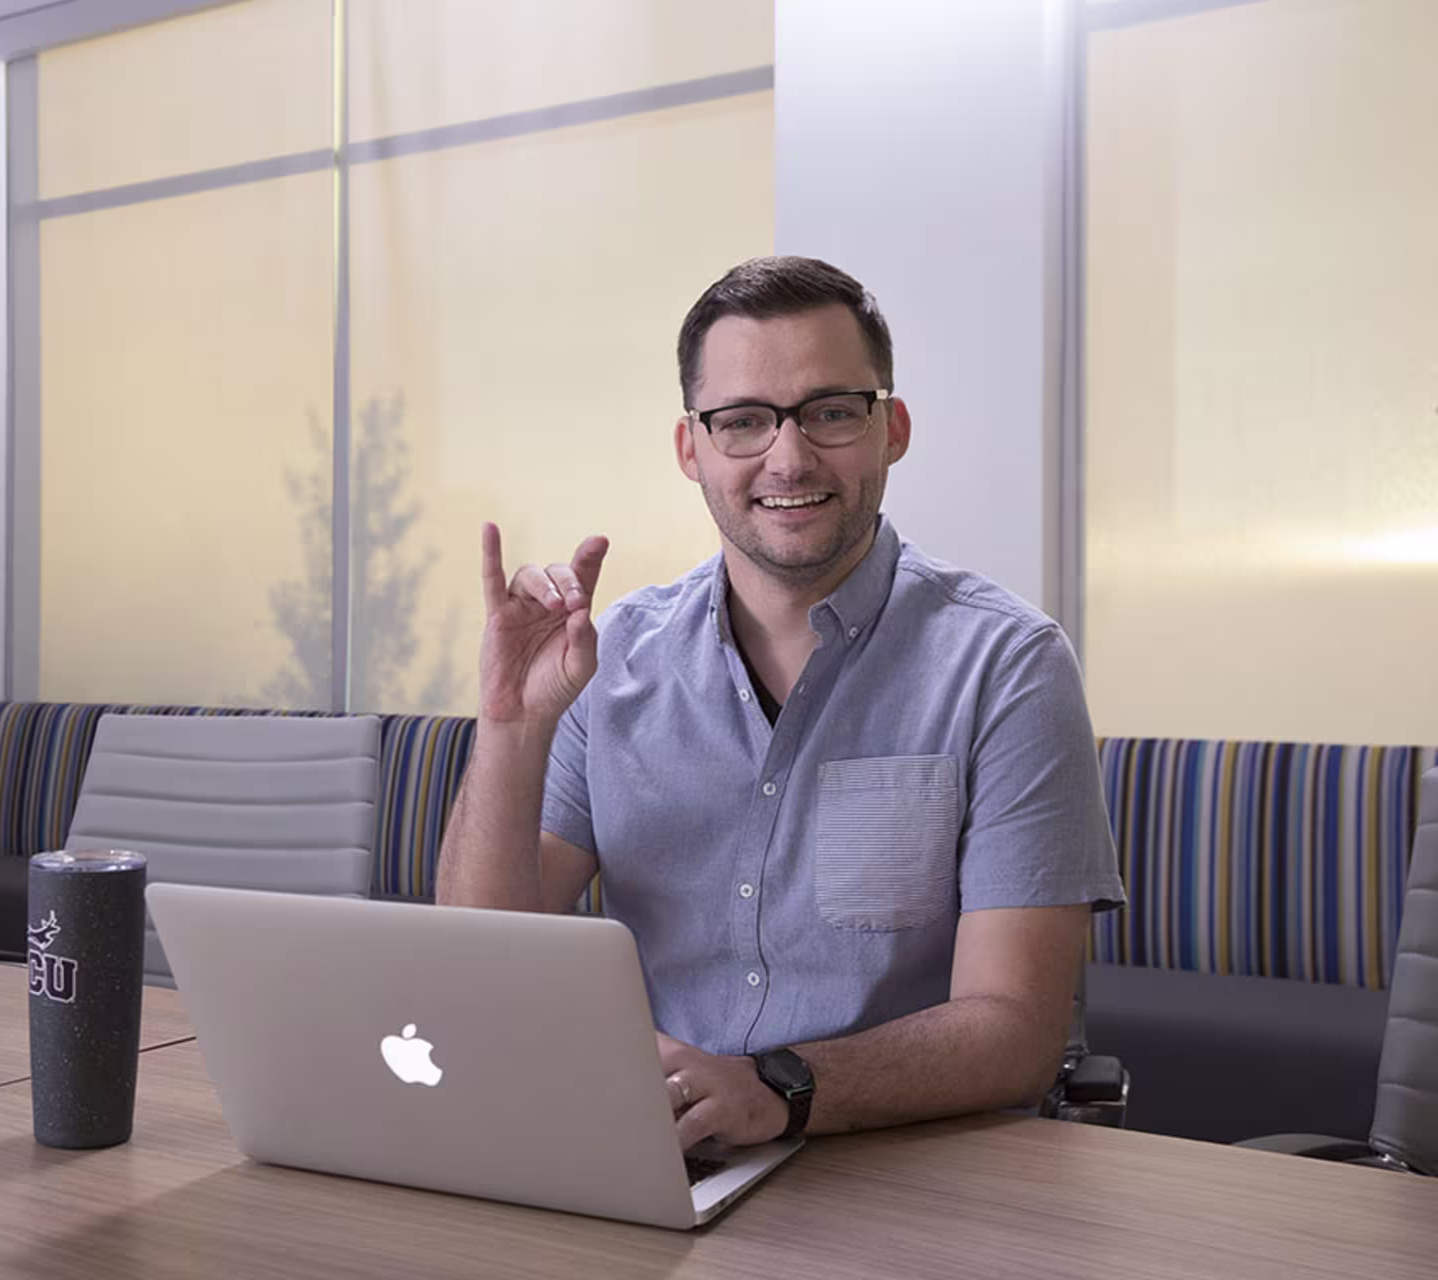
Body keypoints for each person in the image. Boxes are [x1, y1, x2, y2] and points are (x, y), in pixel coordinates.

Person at [435, 255, 1125, 1150]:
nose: (788, 457)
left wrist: (779, 1088)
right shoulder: (610, 661)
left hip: (914, 1169)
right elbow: (484, 967)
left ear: (893, 429)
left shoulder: (1007, 664)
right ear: (693, 449)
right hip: (652, 1149)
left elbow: (1015, 1031)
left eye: (832, 412)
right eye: (744, 422)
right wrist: (512, 729)